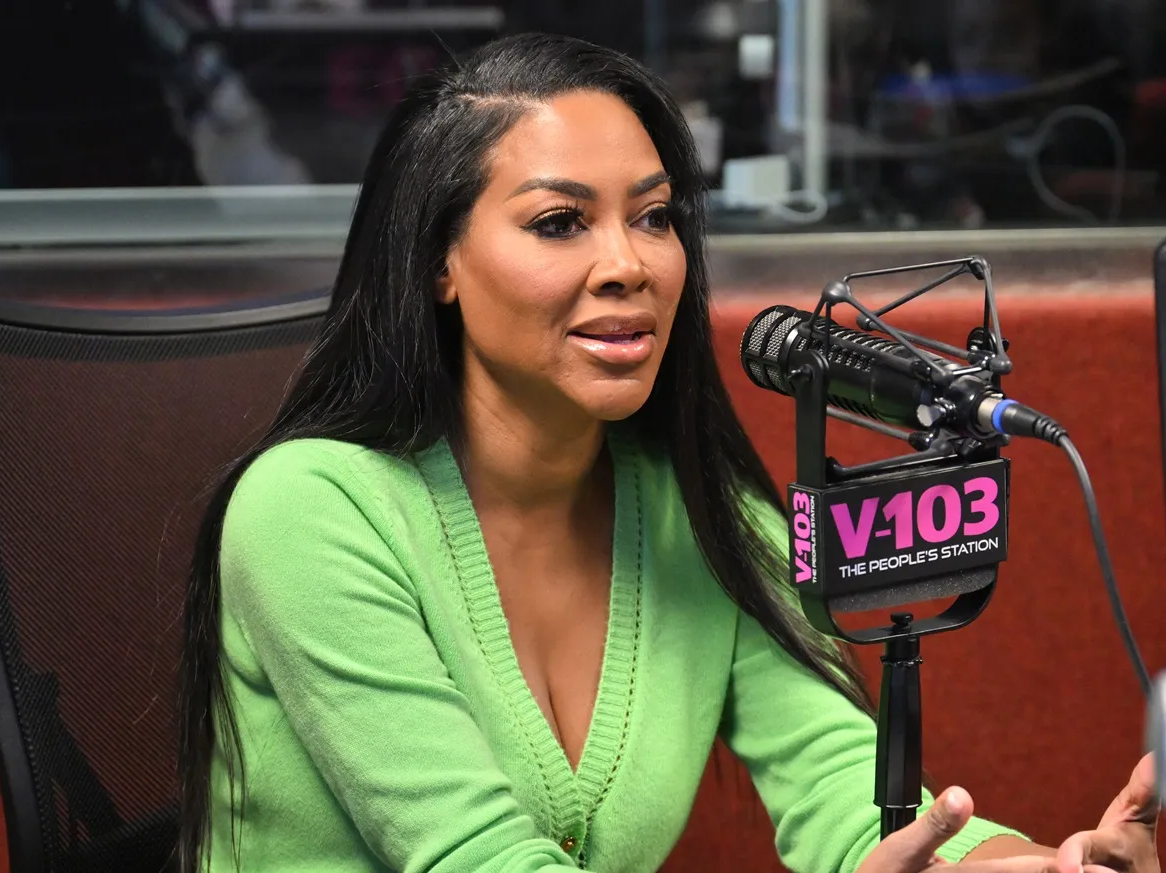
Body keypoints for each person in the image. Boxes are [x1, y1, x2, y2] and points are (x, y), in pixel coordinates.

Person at [176, 32, 1160, 873]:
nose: (629, 264)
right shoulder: (310, 509)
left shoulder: (704, 516)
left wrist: (1029, 863)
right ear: (440, 262)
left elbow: (845, 791)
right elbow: (478, 858)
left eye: (654, 216)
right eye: (559, 223)